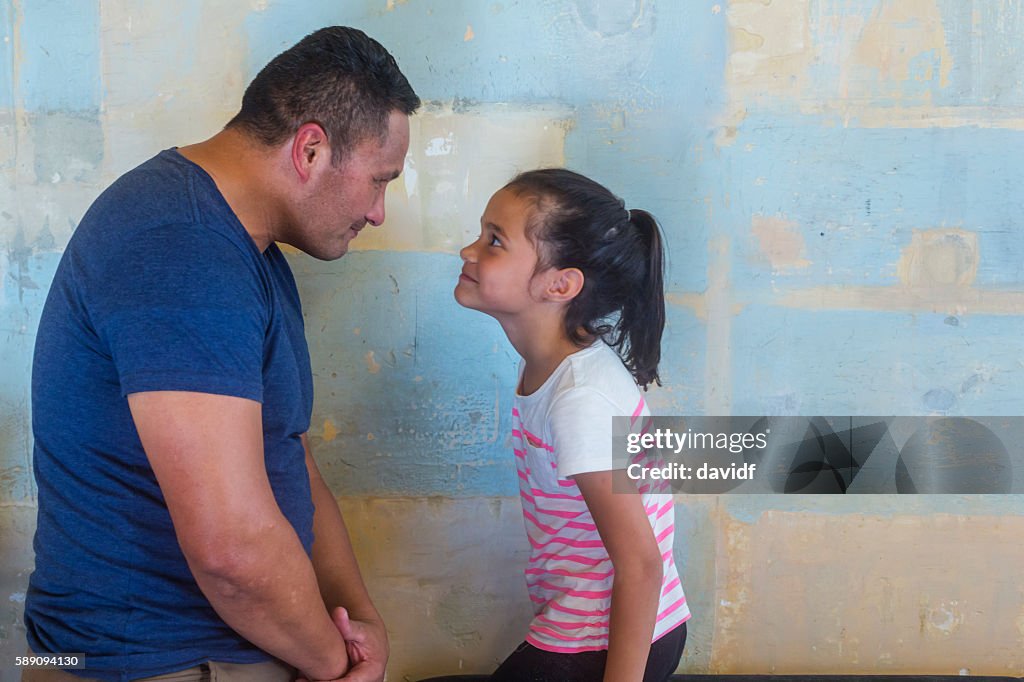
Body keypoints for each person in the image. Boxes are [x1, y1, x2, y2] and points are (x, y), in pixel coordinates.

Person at [25, 26, 419, 682]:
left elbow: (286, 450)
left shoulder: (244, 248)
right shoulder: (181, 247)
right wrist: (336, 666)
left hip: (226, 650)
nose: (379, 213)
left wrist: (359, 617)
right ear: (312, 149)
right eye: (379, 181)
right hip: (160, 662)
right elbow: (232, 552)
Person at [454, 169, 690, 682]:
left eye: (494, 240)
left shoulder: (579, 398)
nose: (467, 251)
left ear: (560, 284)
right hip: (611, 625)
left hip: (609, 639)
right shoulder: (557, 366)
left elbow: (641, 565)